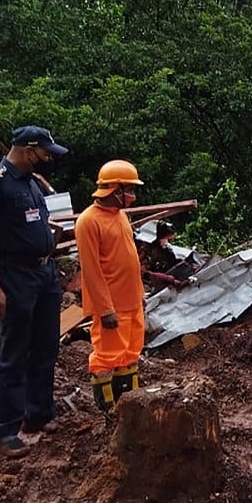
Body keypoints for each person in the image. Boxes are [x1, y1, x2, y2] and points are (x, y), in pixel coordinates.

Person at [0, 125, 68, 457]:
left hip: (44, 274)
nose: (47, 160)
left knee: (45, 346)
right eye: (45, 153)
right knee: (13, 353)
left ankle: (37, 414)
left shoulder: (30, 183)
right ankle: (3, 430)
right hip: (15, 277)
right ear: (28, 150)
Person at [74, 159, 146, 413]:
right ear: (116, 189)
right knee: (107, 357)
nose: (133, 197)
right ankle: (108, 412)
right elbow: (91, 271)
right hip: (112, 306)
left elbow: (129, 259)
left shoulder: (120, 217)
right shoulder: (88, 221)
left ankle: (130, 407)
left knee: (129, 354)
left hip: (131, 302)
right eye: (130, 190)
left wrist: (140, 294)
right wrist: (105, 310)